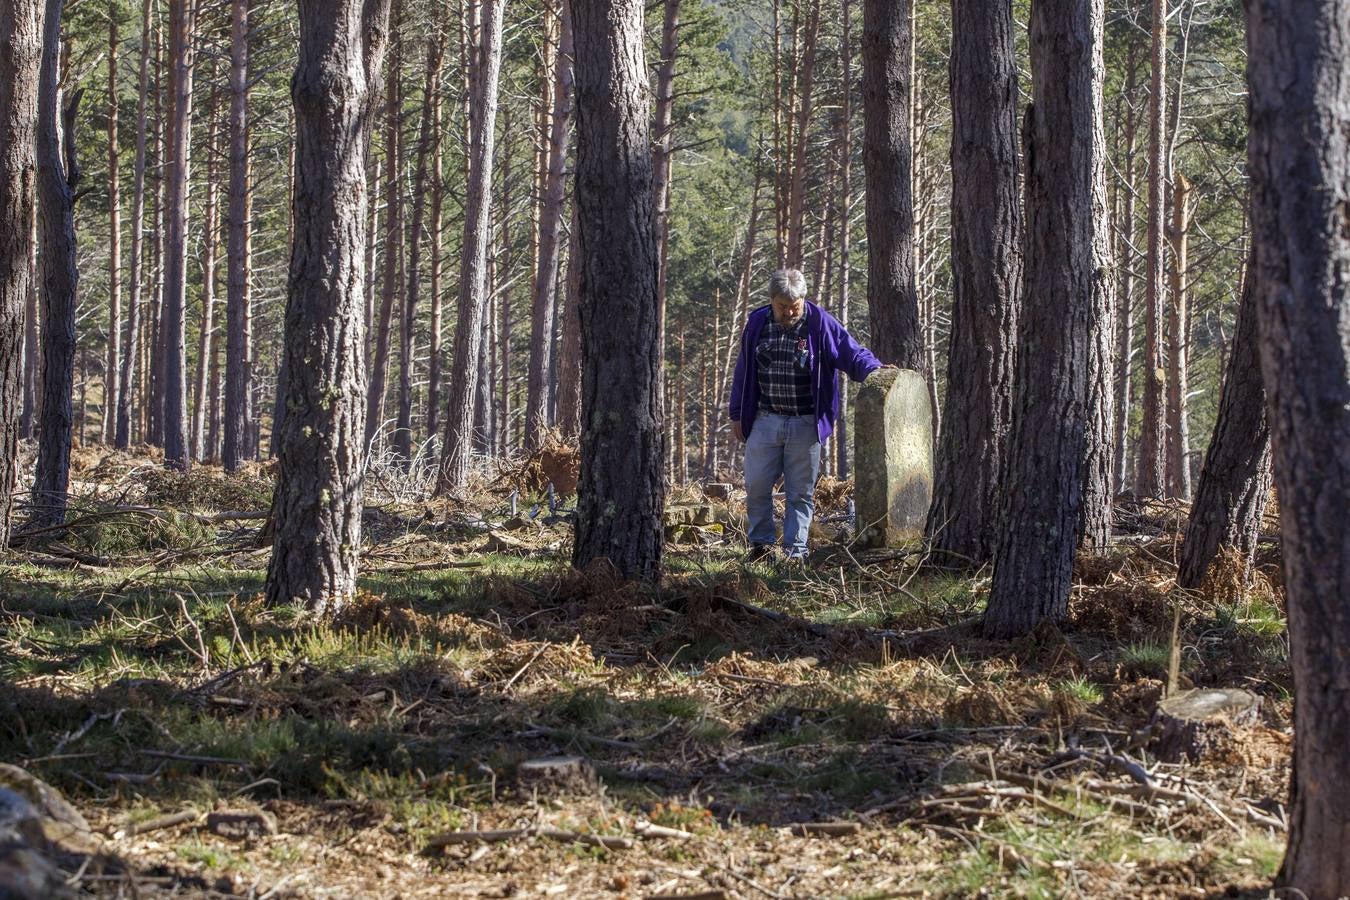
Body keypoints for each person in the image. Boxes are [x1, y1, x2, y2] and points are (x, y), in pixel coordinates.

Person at [729, 268, 883, 561]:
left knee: (799, 493)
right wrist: (737, 412)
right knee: (757, 485)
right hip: (764, 419)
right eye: (782, 307)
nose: (789, 312)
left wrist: (874, 370)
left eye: (794, 306)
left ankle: (795, 552)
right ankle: (761, 547)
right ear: (771, 302)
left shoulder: (819, 323)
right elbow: (743, 370)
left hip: (805, 422)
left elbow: (850, 353)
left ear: (803, 300)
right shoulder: (757, 322)